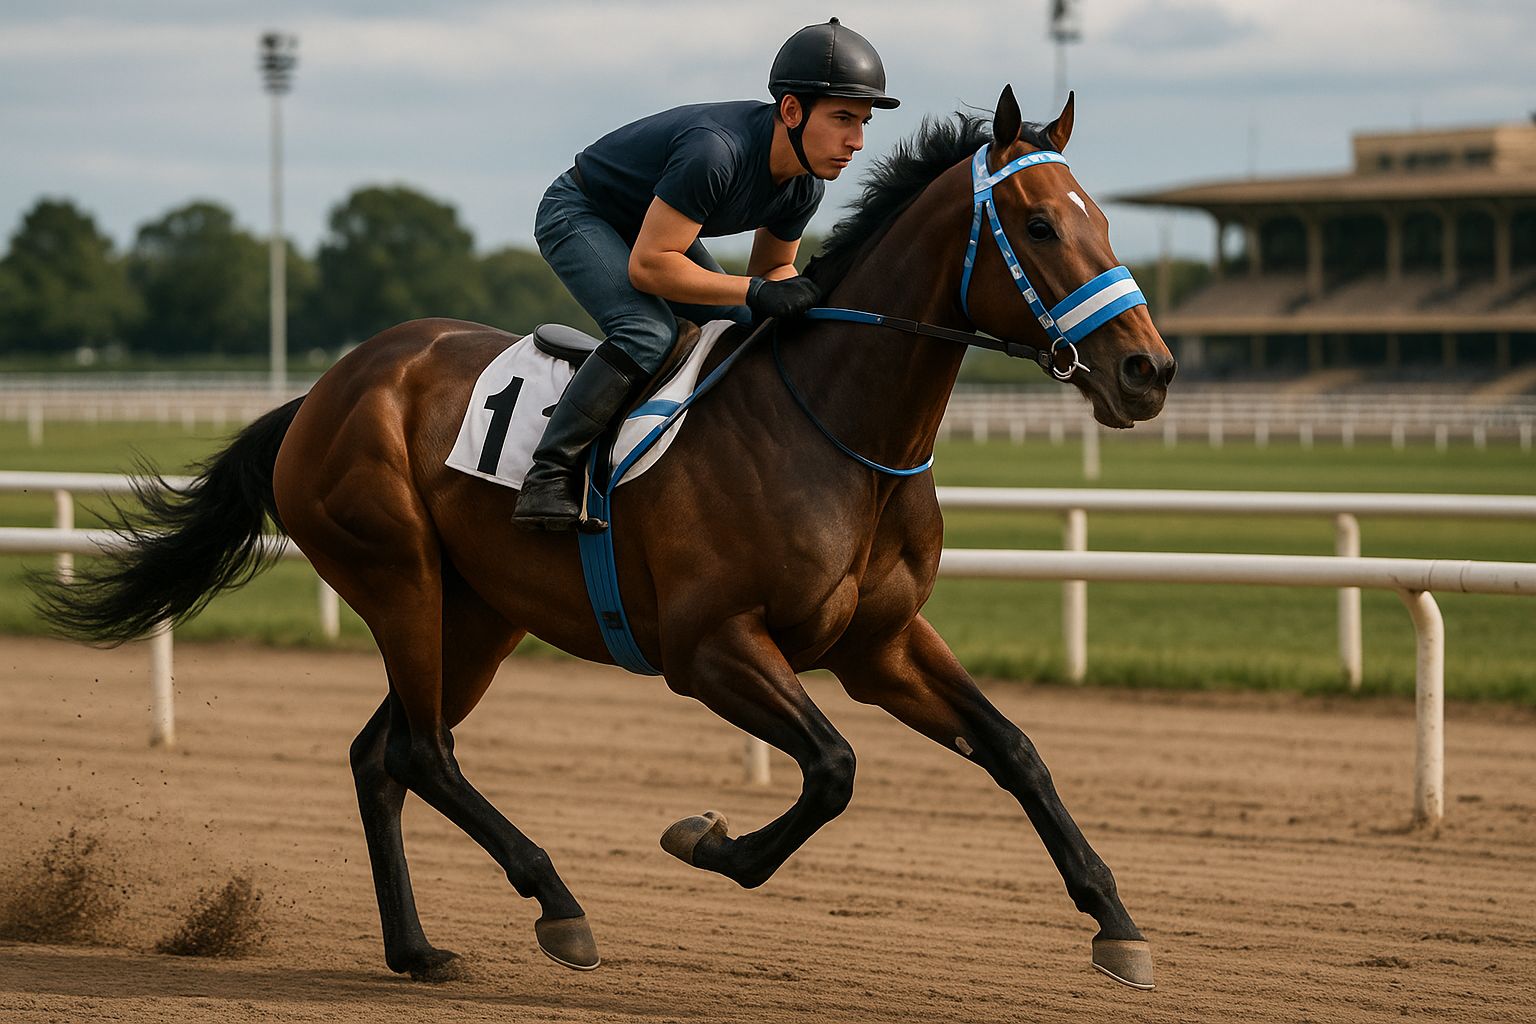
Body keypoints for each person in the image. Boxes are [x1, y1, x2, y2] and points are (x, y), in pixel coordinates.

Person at [513, 17, 899, 531]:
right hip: (582, 213)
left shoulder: (805, 183)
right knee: (648, 333)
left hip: (652, 230)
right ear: (791, 110)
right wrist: (759, 290)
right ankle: (549, 474)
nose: (857, 141)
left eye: (864, 123)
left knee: (751, 325)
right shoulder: (715, 153)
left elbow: (770, 268)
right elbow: (650, 266)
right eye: (844, 119)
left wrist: (808, 300)